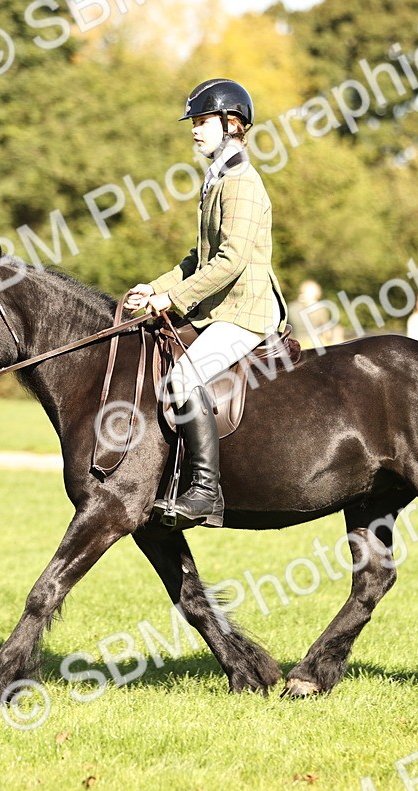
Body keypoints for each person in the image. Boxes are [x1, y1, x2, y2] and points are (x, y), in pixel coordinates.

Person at [124, 78, 288, 528]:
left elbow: (232, 259)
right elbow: (200, 257)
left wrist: (172, 299)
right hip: (220, 306)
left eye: (202, 121)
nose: (195, 130)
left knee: (181, 378)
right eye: (193, 122)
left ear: (231, 124)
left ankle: (203, 490)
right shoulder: (216, 179)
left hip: (246, 310)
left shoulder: (241, 183)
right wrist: (153, 288)